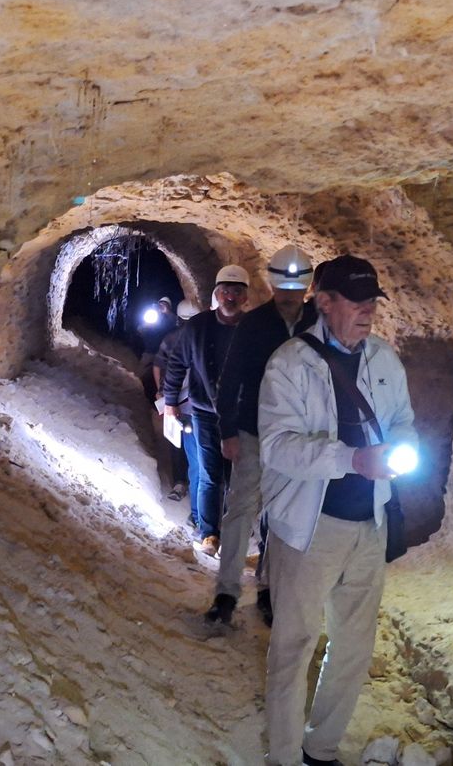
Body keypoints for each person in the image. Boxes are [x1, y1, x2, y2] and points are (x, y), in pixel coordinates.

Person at [258, 255, 418, 766]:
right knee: (294, 646)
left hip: (367, 528)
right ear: (324, 302)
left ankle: (320, 748)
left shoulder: (384, 360)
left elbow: (403, 421)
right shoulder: (289, 363)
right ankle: (283, 757)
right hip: (309, 529)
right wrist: (351, 459)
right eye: (357, 301)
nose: (368, 311)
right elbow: (278, 447)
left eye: (373, 301)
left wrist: (398, 451)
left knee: (352, 647)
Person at [205, 245, 318, 625]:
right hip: (255, 430)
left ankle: (269, 586)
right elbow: (231, 378)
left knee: (284, 513)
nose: (288, 295)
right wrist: (228, 431)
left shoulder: (318, 321)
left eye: (295, 287)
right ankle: (226, 591)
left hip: (298, 433)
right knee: (240, 510)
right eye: (282, 287)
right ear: (272, 283)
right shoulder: (255, 324)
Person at [162, 265, 250, 554]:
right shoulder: (198, 326)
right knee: (211, 473)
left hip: (239, 415)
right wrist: (171, 402)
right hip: (204, 411)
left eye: (237, 292)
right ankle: (209, 534)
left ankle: (230, 531)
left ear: (245, 296)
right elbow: (176, 365)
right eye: (226, 291)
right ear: (217, 294)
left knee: (234, 475)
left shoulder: (254, 330)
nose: (230, 297)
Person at [153, 300, 201, 511]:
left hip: (173, 400)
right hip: (191, 402)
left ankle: (180, 483)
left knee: (176, 440)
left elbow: (157, 365)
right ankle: (193, 486)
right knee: (195, 446)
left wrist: (160, 390)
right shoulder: (201, 339)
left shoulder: (170, 338)